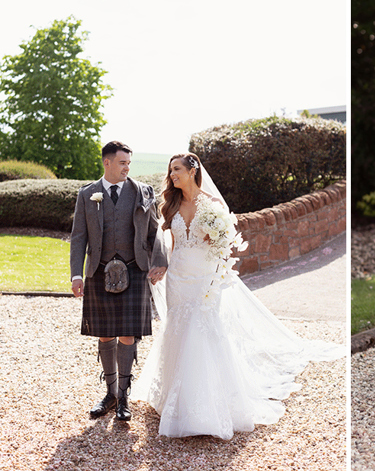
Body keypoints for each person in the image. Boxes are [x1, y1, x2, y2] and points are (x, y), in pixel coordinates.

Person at [132, 152, 345, 439]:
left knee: (203, 331)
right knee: (178, 330)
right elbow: (165, 243)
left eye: (177, 169)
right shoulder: (170, 205)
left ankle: (206, 406)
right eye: (170, 170)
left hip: (205, 278)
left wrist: (215, 251)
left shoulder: (214, 205)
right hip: (179, 276)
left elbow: (224, 245)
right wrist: (161, 266)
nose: (172, 175)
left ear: (193, 171)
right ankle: (176, 398)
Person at [70, 141, 168, 422]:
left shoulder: (142, 192)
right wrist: (77, 274)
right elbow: (79, 237)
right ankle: (110, 394)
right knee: (104, 334)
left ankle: (124, 396)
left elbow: (155, 230)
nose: (127, 168)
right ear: (107, 163)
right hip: (99, 271)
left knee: (127, 334)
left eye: (129, 163)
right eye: (122, 163)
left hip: (134, 268)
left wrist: (159, 260)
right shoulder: (87, 194)